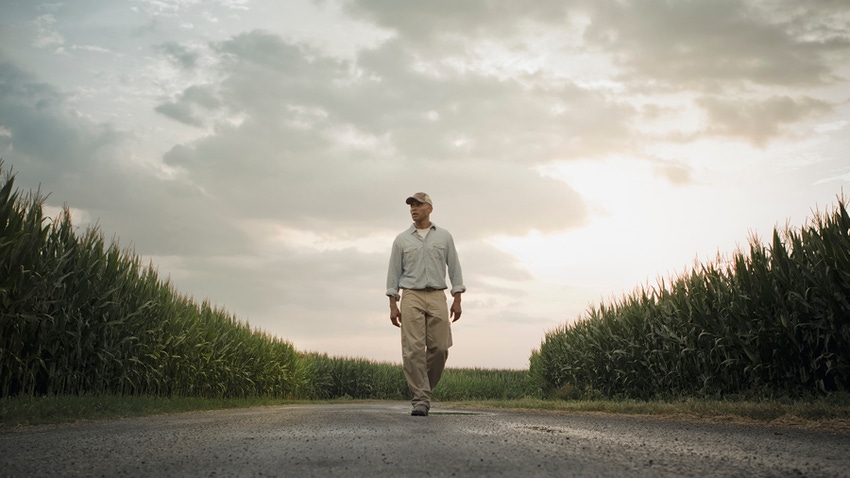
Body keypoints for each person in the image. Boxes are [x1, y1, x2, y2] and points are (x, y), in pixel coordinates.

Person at [386, 192, 465, 417]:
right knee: (413, 350)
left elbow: (455, 268)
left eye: (418, 205)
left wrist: (457, 298)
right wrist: (393, 304)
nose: (414, 209)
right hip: (411, 295)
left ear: (429, 208)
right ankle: (420, 399)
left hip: (438, 295)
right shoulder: (401, 240)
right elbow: (393, 273)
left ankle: (424, 390)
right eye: (411, 205)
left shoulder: (444, 237)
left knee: (440, 348)